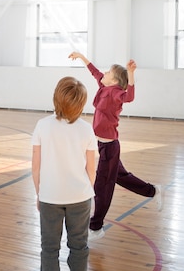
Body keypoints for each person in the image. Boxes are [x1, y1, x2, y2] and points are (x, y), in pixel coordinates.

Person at [68, 52, 162, 241]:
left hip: (110, 147)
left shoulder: (117, 92)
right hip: (103, 145)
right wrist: (81, 57)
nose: (104, 73)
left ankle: (96, 227)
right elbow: (95, 72)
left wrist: (131, 73)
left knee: (102, 186)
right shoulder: (104, 86)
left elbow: (130, 97)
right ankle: (153, 190)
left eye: (109, 72)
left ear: (116, 80)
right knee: (121, 177)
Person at [32, 76, 97, 271]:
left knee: (49, 248)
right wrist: (89, 194)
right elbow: (92, 169)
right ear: (81, 104)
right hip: (80, 197)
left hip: (50, 197)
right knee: (79, 246)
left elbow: (36, 166)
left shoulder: (42, 125)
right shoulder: (87, 130)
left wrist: (40, 194)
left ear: (56, 98)